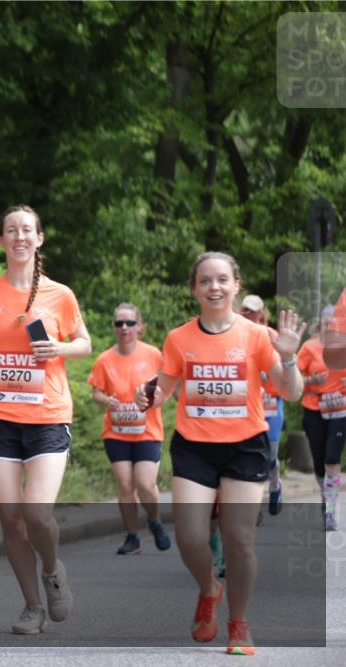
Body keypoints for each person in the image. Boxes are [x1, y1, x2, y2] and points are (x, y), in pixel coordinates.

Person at [136, 252, 304, 656]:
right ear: (194, 288)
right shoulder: (178, 338)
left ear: (236, 285)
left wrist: (288, 355)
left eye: (222, 280)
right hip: (195, 447)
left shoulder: (256, 336)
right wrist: (148, 396)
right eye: (206, 281)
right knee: (191, 538)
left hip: (246, 446)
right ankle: (210, 588)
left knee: (238, 540)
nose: (214, 287)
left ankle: (239, 624)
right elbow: (162, 393)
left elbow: (291, 391)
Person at [0, 205, 91, 635]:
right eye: (11, 230)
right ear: (1, 241)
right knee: (11, 519)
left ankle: (51, 568)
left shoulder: (59, 294)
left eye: (27, 230)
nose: (19, 237)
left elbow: (84, 343)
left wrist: (59, 350)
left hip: (47, 415)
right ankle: (32, 607)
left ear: (39, 238)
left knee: (36, 512)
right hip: (0, 418)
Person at [88, 303, 171, 555]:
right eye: (119, 323)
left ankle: (154, 521)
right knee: (125, 486)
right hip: (117, 431)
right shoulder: (105, 359)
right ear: (114, 327)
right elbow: (95, 392)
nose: (124, 327)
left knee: (145, 484)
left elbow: (166, 387)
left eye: (130, 323)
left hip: (147, 430)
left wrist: (154, 397)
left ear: (140, 327)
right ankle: (132, 536)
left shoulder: (153, 355)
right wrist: (107, 400)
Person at [297, 305, 345, 531]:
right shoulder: (309, 348)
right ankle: (326, 497)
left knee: (332, 458)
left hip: (340, 410)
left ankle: (330, 511)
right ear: (321, 324)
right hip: (313, 409)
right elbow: (293, 380)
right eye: (327, 322)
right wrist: (311, 382)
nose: (331, 326)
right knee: (318, 463)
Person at [238, 294, 285, 517]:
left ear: (261, 313)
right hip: (246, 405)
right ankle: (253, 505)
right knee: (250, 455)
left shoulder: (271, 335)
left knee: (271, 453)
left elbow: (282, 370)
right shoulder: (235, 334)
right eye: (245, 309)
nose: (249, 314)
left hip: (271, 404)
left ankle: (275, 484)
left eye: (253, 310)